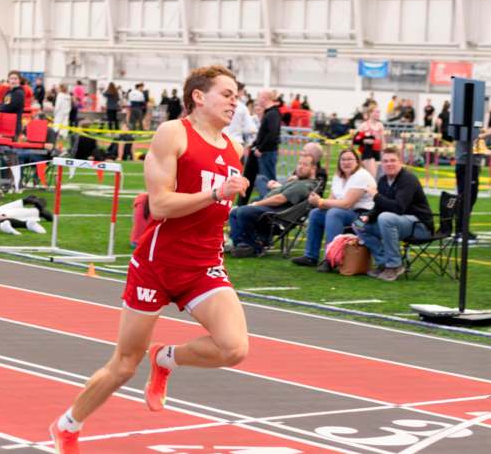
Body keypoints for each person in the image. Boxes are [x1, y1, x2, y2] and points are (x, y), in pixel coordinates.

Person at [49, 65, 251, 454]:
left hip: (204, 265)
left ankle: (166, 358)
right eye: (226, 93)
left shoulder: (234, 149)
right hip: (158, 265)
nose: (234, 100)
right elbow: (159, 205)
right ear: (198, 96)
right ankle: (67, 425)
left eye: (236, 94)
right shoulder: (173, 134)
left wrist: (230, 197)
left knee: (235, 348)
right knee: (124, 365)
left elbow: (217, 205)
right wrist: (216, 194)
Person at [354, 147, 434, 282]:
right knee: (357, 224)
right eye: (385, 161)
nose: (389, 164)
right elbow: (379, 207)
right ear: (381, 164)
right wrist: (368, 216)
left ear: (400, 162)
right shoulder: (383, 180)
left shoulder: (408, 179)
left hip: (420, 226)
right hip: (399, 223)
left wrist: (375, 195)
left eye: (393, 160)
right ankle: (384, 262)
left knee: (386, 218)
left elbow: (398, 208)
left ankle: (395, 265)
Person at [291, 149, 375, 272]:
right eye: (343, 159)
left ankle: (330, 259)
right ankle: (310, 256)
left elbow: (347, 204)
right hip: (346, 213)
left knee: (334, 213)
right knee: (316, 213)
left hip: (364, 218)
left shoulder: (361, 175)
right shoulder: (338, 176)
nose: (346, 162)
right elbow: (331, 200)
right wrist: (318, 202)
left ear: (357, 161)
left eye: (350, 159)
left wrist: (321, 202)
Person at [229, 153, 317, 258]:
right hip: (271, 210)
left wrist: (256, 204)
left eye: (305, 165)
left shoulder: (304, 185)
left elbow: (279, 199)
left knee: (243, 211)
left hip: (277, 217)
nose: (300, 167)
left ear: (313, 168)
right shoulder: (298, 181)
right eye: (299, 163)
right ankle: (240, 244)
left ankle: (253, 246)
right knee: (235, 212)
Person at [241, 89, 280, 204]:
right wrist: (256, 146)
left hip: (266, 153)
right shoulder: (270, 113)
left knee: (267, 181)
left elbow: (272, 134)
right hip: (260, 152)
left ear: (264, 98)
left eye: (259, 98)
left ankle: (269, 205)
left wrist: (261, 148)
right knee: (249, 177)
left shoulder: (273, 114)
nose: (257, 101)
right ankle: (241, 204)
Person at [353, 106, 384, 178]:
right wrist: (364, 140)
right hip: (367, 152)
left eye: (379, 112)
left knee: (371, 177)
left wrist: (384, 152)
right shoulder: (364, 125)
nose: (378, 114)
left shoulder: (380, 125)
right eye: (376, 112)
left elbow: (383, 140)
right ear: (370, 113)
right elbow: (355, 139)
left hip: (377, 152)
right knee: (372, 177)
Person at [0, 71, 26, 137]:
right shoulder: (9, 92)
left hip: (13, 126)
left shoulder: (19, 93)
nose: (13, 81)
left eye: (15, 79)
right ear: (8, 80)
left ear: (19, 80)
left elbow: (8, 107)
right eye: (11, 78)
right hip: (6, 123)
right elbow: (5, 104)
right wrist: (1, 107)